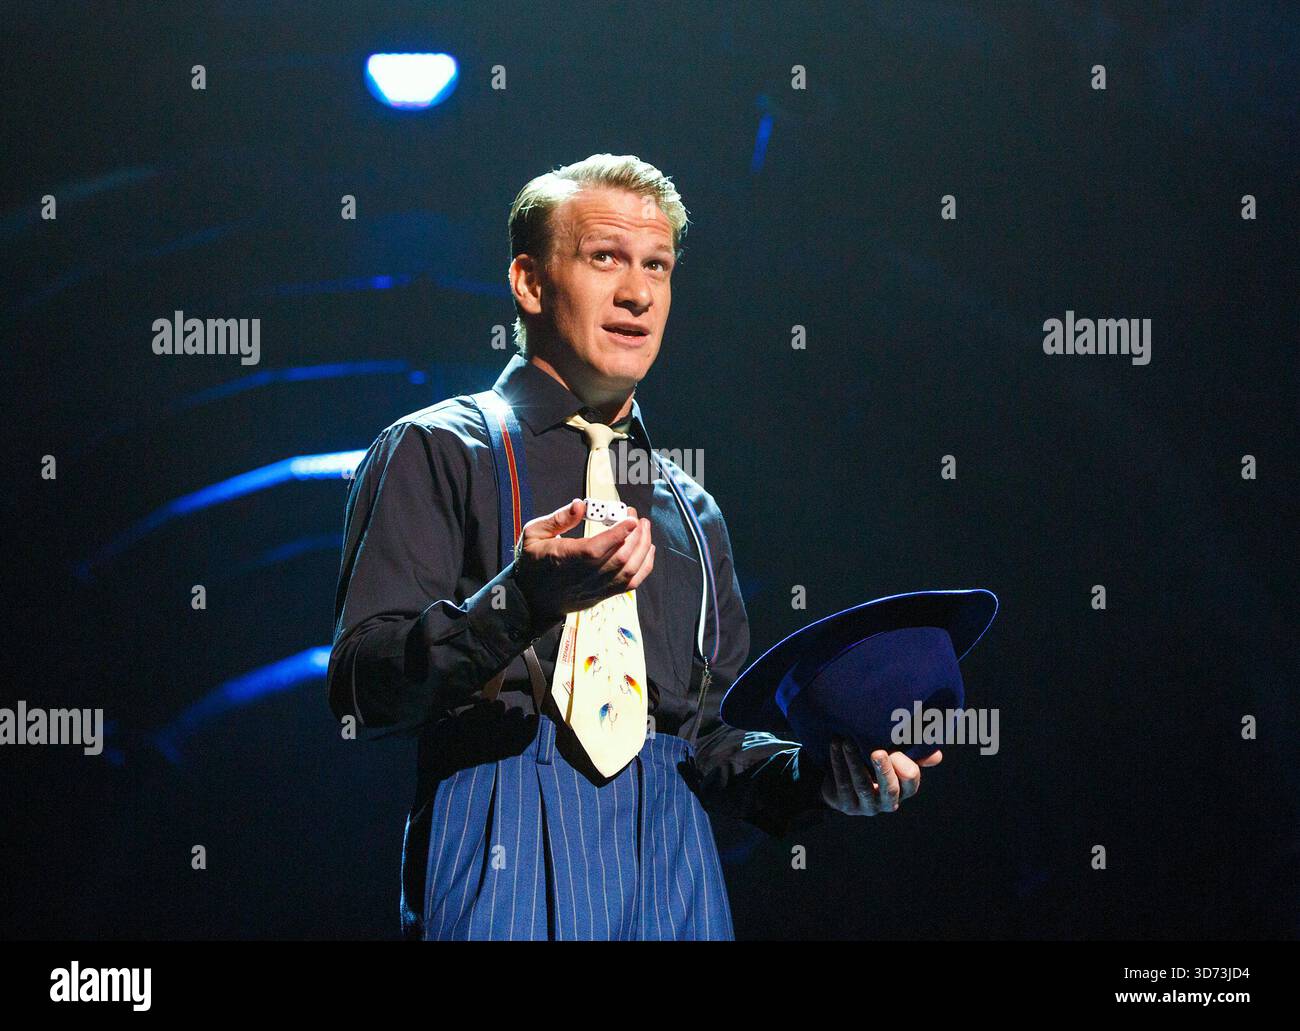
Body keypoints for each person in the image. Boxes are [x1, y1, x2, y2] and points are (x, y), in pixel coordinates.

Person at [327, 153, 940, 941]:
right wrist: (520, 600)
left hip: (672, 857)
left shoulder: (694, 509)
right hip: (501, 826)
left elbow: (710, 741)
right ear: (529, 282)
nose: (638, 291)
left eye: (658, 265)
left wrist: (823, 776)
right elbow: (358, 687)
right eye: (604, 257)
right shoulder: (437, 449)